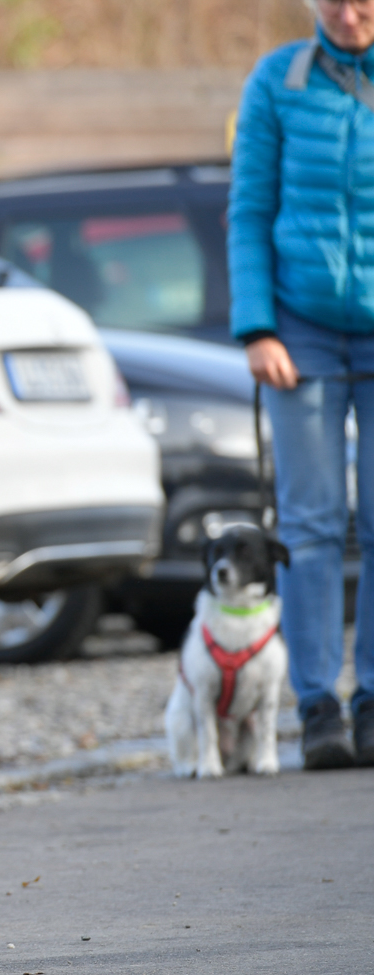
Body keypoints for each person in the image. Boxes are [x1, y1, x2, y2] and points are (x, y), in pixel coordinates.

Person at [230, 0, 374, 770]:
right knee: (312, 524)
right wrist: (258, 327)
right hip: (301, 329)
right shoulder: (276, 81)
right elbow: (250, 210)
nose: (349, 13)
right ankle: (318, 704)